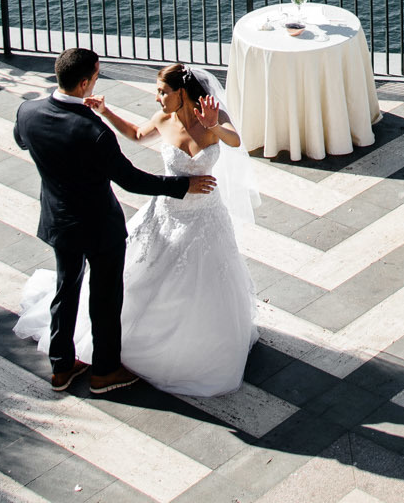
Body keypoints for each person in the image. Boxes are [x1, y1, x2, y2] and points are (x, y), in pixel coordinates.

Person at [18, 63, 259, 396]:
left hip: (206, 216)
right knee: (127, 285)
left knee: (205, 281)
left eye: (163, 91)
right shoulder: (161, 120)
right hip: (167, 213)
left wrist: (213, 125)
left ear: (182, 93)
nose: (157, 97)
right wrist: (107, 112)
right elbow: (135, 137)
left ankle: (195, 340)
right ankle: (111, 362)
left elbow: (234, 142)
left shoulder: (212, 114)